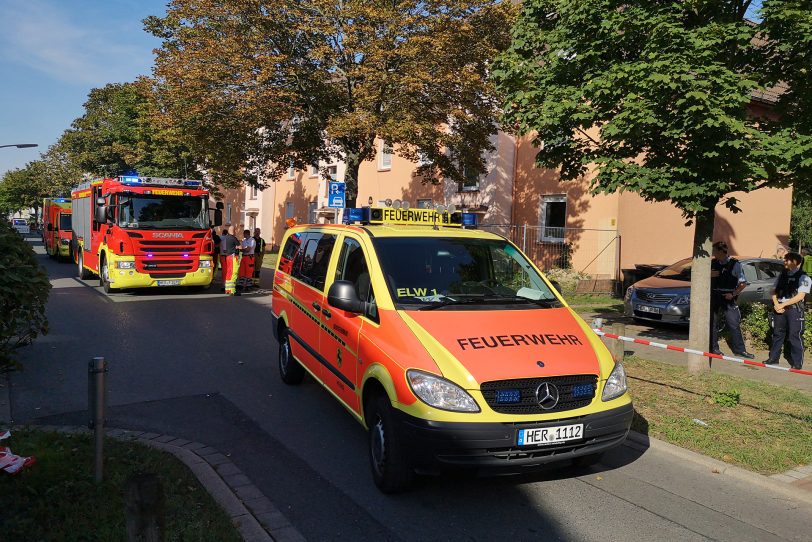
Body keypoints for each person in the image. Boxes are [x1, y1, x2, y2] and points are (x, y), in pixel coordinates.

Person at [765, 252, 811, 369]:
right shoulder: (782, 275)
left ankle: (797, 363)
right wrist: (776, 304)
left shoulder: (804, 277)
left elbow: (800, 296)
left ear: (795, 262)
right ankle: (773, 359)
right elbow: (773, 291)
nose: (784, 261)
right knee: (777, 334)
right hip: (779, 308)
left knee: (794, 335)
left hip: (794, 310)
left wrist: (783, 305)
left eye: (787, 259)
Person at [710, 241, 754, 358]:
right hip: (715, 295)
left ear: (721, 251)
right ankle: (713, 348)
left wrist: (733, 294)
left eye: (714, 251)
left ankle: (740, 350)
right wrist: (709, 275)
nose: (713, 254)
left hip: (728, 297)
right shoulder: (713, 263)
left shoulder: (735, 264)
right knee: (712, 323)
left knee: (733, 323)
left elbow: (743, 283)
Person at [219, 227, 239, 295]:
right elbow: (240, 246)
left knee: (228, 272)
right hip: (233, 257)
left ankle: (227, 289)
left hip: (227, 257)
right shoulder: (233, 238)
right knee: (234, 272)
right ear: (234, 231)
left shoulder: (225, 238)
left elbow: (224, 249)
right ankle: (232, 291)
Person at [236, 229, 256, 293]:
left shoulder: (252, 240)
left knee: (249, 272)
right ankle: (240, 285)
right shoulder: (244, 240)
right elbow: (243, 248)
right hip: (244, 257)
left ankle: (248, 285)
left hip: (249, 257)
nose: (243, 235)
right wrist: (242, 249)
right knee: (242, 271)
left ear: (246, 233)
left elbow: (248, 249)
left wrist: (241, 249)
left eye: (244, 234)